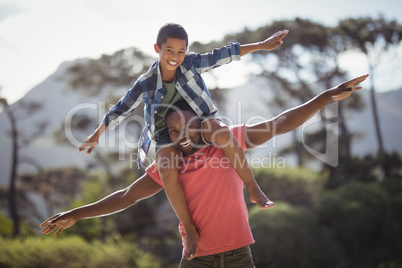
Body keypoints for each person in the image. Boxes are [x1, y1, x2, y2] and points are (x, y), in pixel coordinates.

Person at [40, 74, 369, 267]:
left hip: (240, 255)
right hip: (197, 258)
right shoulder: (169, 165)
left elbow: (280, 124)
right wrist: (76, 214)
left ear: (200, 127)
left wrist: (326, 96)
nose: (179, 135)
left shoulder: (229, 143)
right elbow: (126, 197)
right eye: (172, 131)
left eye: (185, 127)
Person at [77, 23, 288, 255]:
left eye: (180, 51)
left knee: (222, 132)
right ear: (157, 48)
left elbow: (222, 55)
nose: (175, 57)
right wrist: (96, 136)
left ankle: (254, 188)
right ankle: (188, 228)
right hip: (167, 133)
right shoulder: (146, 82)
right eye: (169, 50)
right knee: (166, 168)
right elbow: (121, 109)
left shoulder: (190, 63)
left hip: (199, 121)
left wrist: (260, 45)